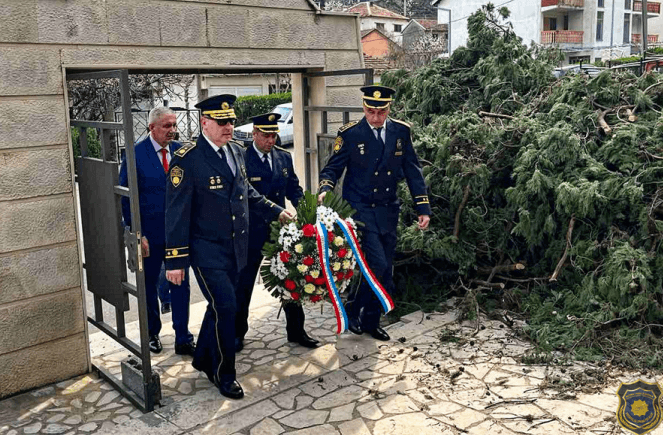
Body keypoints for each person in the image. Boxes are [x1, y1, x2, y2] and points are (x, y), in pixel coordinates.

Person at [164, 95, 292, 400]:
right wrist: (175, 261)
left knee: (220, 306)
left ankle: (202, 359)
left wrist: (277, 210)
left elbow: (246, 191)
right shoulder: (188, 158)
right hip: (206, 248)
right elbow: (176, 212)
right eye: (222, 122)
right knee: (227, 306)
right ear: (204, 123)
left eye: (232, 121)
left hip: (237, 245)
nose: (229, 126)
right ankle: (225, 374)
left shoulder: (236, 150)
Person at [317, 85, 431, 342]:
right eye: (371, 111)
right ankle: (355, 309)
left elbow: (413, 170)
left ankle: (368, 319)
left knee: (384, 269)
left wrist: (422, 207)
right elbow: (332, 168)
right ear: (364, 108)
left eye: (381, 111)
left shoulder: (401, 132)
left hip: (388, 208)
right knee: (377, 264)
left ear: (389, 109)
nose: (376, 117)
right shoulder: (350, 134)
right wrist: (325, 188)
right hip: (360, 209)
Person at [236, 113, 318, 351]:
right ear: (254, 134)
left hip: (280, 231)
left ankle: (296, 331)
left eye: (274, 135)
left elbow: (294, 187)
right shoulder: (242, 157)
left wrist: (305, 211)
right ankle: (237, 333)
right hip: (251, 232)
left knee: (290, 279)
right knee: (244, 284)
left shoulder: (283, 157)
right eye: (266, 136)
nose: (271, 140)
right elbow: (246, 193)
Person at [119, 107, 195, 356]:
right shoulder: (135, 154)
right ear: (152, 127)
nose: (172, 131)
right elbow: (127, 199)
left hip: (178, 235)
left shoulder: (182, 152)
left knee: (180, 284)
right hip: (149, 235)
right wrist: (136, 234)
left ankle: (183, 337)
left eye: (174, 125)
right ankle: (152, 333)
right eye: (166, 126)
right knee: (149, 286)